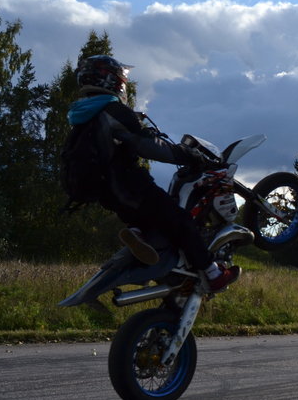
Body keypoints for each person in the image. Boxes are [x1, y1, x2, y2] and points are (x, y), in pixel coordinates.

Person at [66, 55, 240, 291]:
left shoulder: (83, 114)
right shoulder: (112, 110)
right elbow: (148, 146)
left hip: (107, 191)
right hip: (128, 185)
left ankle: (138, 233)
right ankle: (213, 273)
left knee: (149, 217)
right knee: (180, 220)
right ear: (113, 81)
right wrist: (187, 155)